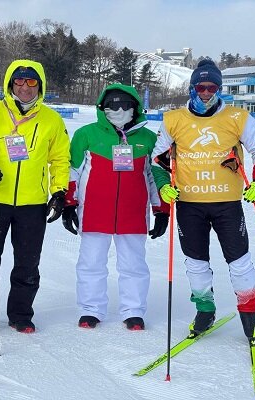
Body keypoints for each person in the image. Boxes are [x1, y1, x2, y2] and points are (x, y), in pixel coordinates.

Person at [151, 59, 255, 340]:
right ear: (192, 88)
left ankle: (249, 312)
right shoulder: (173, 119)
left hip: (227, 204)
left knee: (240, 261)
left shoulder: (237, 117)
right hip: (189, 203)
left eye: (212, 87)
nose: (206, 92)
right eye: (201, 87)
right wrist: (163, 187)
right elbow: (157, 160)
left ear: (219, 88)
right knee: (196, 262)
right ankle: (205, 309)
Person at [0, 59, 70, 334]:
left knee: (28, 262)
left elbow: (59, 159)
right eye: (18, 81)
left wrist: (59, 190)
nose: (25, 87)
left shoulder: (52, 119)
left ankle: (21, 314)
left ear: (40, 85)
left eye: (31, 81)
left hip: (32, 204)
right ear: (10, 84)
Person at [62, 84, 169, 331]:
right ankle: (91, 309)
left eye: (125, 104)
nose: (118, 110)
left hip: (132, 212)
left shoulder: (148, 138)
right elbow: (72, 171)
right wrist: (69, 203)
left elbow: (156, 176)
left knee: (134, 264)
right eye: (112, 105)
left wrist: (161, 209)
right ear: (102, 107)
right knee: (91, 263)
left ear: (135, 107)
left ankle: (133, 310)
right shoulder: (86, 134)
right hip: (94, 211)